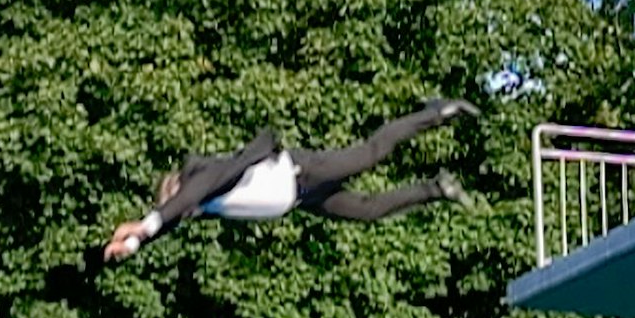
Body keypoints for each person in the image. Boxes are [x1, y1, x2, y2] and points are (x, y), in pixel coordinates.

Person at [103, 99, 480, 260]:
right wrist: (134, 244)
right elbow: (172, 219)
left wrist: (144, 227)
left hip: (302, 171)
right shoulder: (197, 206)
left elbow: (178, 207)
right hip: (303, 198)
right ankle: (437, 188)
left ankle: (435, 113)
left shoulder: (205, 179)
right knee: (368, 211)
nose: (187, 215)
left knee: (371, 153)